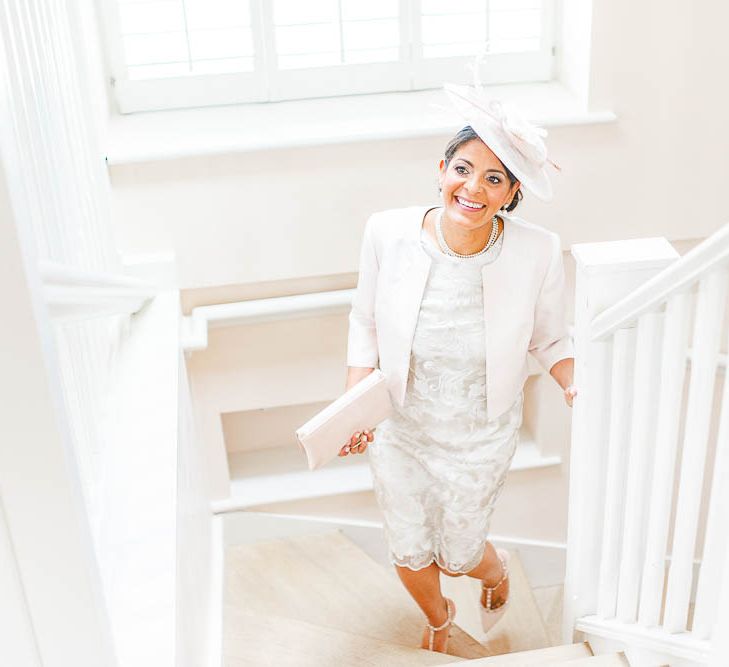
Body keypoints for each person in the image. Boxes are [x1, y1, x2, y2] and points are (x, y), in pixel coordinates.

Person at [340, 76, 577, 654]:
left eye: (494, 179)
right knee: (409, 546)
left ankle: (492, 573)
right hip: (401, 425)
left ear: (510, 194)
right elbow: (364, 320)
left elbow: (550, 340)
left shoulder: (538, 250)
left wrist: (577, 384)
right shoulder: (385, 232)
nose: (474, 188)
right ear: (441, 170)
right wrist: (354, 408)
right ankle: (441, 618)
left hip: (480, 433)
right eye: (463, 169)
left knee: (461, 551)